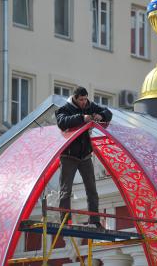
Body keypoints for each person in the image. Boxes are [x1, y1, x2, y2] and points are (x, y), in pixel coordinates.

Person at [55, 86, 112, 229]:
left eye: (85, 99)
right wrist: (82, 118)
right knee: (65, 190)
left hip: (85, 155)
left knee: (92, 189)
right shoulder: (65, 109)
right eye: (81, 100)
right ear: (74, 98)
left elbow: (108, 113)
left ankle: (94, 220)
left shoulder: (89, 105)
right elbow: (62, 122)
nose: (84, 102)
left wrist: (101, 116)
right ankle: (64, 221)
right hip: (68, 156)